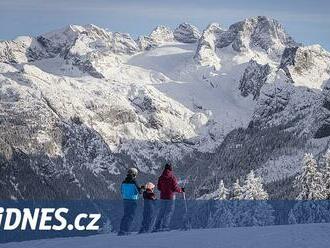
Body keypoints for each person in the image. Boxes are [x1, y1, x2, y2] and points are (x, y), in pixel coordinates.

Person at [153, 163, 185, 232]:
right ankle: (165, 226)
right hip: (171, 197)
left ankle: (156, 226)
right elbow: (175, 188)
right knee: (168, 212)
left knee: (161, 212)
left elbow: (159, 187)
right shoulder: (172, 177)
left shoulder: (161, 177)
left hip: (162, 197)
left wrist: (163, 190)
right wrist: (181, 190)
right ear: (171, 168)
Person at [118, 168, 144, 236]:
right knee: (130, 216)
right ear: (134, 174)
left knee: (125, 215)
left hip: (125, 200)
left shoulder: (123, 182)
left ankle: (121, 230)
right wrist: (142, 188)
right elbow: (139, 192)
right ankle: (126, 231)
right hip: (132, 200)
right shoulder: (134, 181)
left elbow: (121, 191)